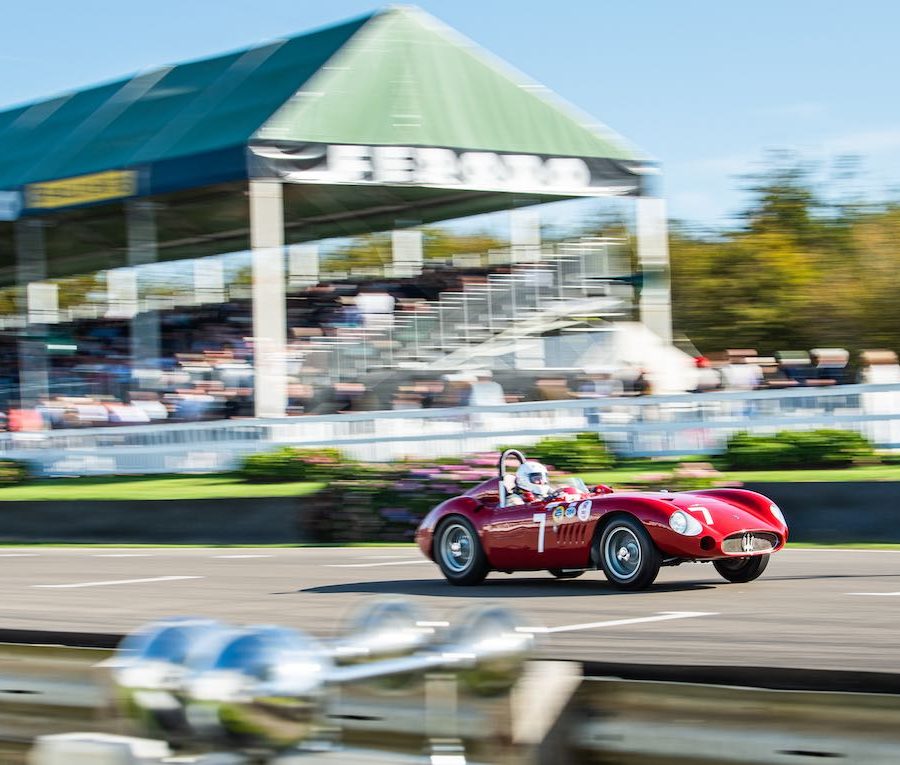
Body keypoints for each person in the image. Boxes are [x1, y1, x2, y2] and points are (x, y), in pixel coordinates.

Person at [506, 461, 583, 505]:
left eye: (543, 478)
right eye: (537, 478)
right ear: (523, 479)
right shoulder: (514, 499)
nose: (542, 481)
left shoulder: (547, 491)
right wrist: (545, 501)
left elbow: (557, 494)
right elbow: (519, 513)